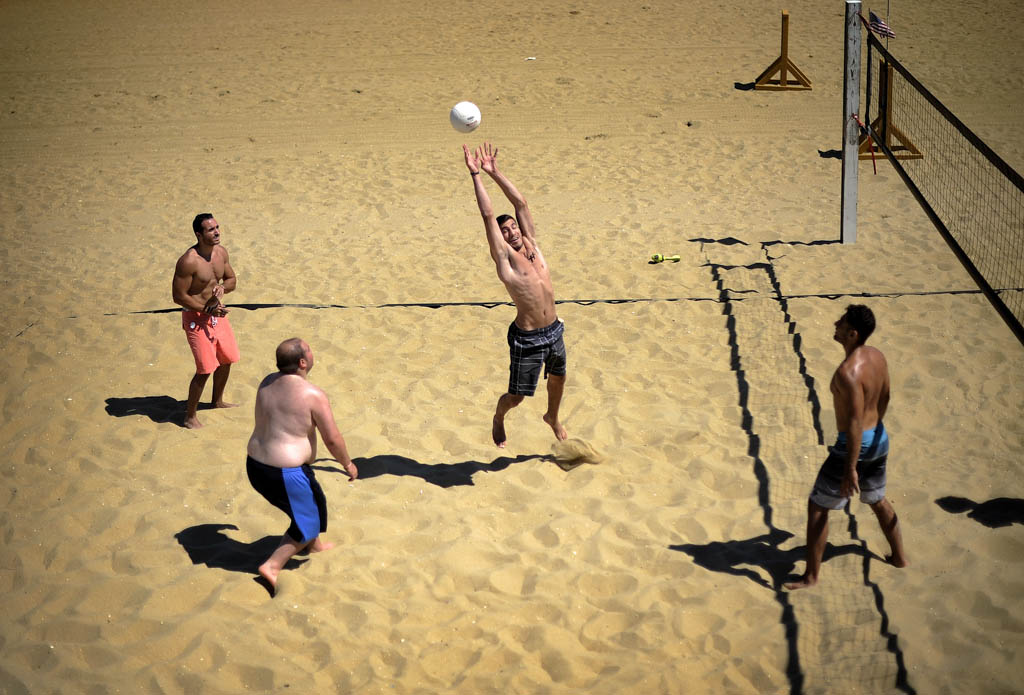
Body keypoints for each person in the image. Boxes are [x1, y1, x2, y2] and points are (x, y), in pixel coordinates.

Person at [786, 305, 908, 590]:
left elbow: (853, 423)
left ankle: (811, 576)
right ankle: (900, 558)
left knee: (817, 507)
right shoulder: (877, 356)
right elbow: (886, 395)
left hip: (853, 447)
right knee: (877, 500)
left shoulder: (847, 373)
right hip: (879, 437)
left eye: (841, 322)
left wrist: (851, 467)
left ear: (852, 334)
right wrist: (874, 425)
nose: (835, 323)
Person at [463, 142, 569, 447]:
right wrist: (476, 176)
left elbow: (521, 203)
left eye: (513, 228)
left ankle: (552, 416)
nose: (512, 232)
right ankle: (498, 416)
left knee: (559, 377)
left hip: (555, 329)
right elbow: (487, 214)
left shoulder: (532, 243)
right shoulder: (505, 260)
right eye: (506, 231)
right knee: (518, 396)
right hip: (528, 337)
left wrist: (495, 172)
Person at [246, 338, 358, 595]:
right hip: (284, 472)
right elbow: (332, 439)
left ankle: (313, 545)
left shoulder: (267, 381)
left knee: (314, 501)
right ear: (303, 362)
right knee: (309, 519)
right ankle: (272, 566)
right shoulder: (313, 394)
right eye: (310, 349)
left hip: (255, 465)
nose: (312, 351)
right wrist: (348, 463)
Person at [171, 213, 240, 428]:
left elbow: (231, 280)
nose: (217, 232)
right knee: (205, 368)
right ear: (199, 234)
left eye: (217, 227)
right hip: (195, 317)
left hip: (216, 315)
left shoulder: (220, 253)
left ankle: (216, 401)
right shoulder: (188, 261)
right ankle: (190, 417)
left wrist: (223, 288)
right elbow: (178, 296)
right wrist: (206, 311)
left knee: (226, 359)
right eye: (211, 230)